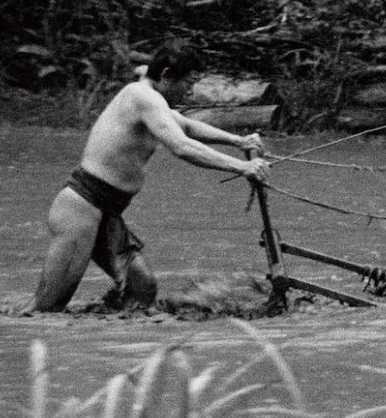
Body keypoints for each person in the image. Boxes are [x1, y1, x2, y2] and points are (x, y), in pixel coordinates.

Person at [21, 41, 270, 313]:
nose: (189, 90)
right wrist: (241, 167)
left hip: (106, 212)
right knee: (46, 309)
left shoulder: (153, 101)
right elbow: (181, 146)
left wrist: (239, 141)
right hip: (81, 208)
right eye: (186, 83)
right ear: (165, 76)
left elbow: (185, 126)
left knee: (142, 289)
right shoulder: (142, 96)